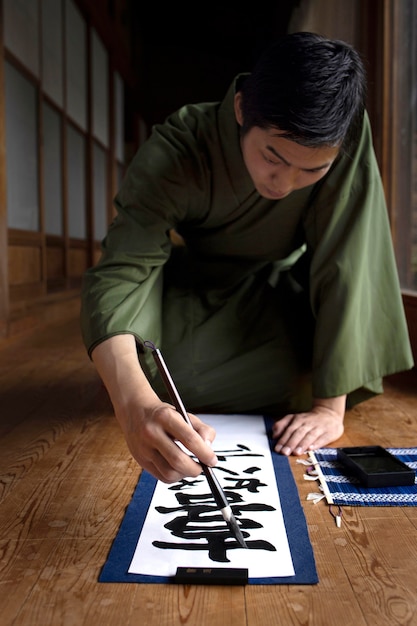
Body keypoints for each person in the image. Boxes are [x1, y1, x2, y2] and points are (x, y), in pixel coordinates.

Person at [80, 32, 414, 483]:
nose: (284, 183)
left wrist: (328, 407)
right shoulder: (182, 145)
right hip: (193, 293)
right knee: (145, 373)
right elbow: (123, 269)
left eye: (311, 170)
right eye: (273, 156)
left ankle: (300, 382)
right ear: (241, 110)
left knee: (326, 371)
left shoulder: (346, 135)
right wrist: (133, 401)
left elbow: (349, 256)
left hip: (281, 292)